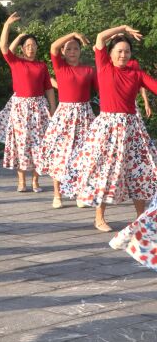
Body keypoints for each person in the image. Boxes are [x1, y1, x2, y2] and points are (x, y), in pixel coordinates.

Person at [61, 25, 157, 232]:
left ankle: (141, 218)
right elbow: (99, 36)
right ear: (111, 54)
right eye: (119, 51)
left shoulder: (136, 72)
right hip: (109, 128)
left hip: (132, 128)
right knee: (104, 172)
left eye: (127, 51)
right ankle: (99, 217)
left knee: (139, 172)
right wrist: (123, 28)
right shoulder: (104, 66)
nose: (123, 55)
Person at [0, 12, 56, 192]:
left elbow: (48, 88)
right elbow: (4, 47)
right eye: (27, 46)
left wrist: (53, 108)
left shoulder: (41, 66)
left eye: (33, 45)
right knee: (21, 143)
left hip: (39, 107)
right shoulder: (16, 62)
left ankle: (36, 181)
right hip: (20, 107)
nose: (31, 48)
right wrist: (8, 26)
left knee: (38, 143)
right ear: (22, 49)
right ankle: (21, 181)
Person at [40, 32, 97, 209]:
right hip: (64, 114)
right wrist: (73, 35)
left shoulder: (89, 70)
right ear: (64, 52)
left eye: (76, 48)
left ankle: (81, 192)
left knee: (84, 154)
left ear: (80, 51)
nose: (72, 51)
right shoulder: (60, 66)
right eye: (69, 49)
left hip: (85, 115)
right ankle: (57, 194)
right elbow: (53, 47)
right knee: (59, 154)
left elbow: (102, 88)